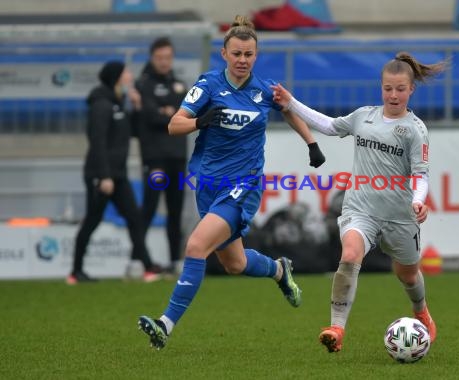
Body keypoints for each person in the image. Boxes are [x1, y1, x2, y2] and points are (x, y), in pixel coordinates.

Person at [137, 15, 326, 349]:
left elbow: (289, 110)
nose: (242, 60)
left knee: (196, 247)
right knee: (235, 264)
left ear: (256, 55)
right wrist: (200, 120)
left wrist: (311, 144)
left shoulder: (265, 90)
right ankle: (279, 270)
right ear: (224, 54)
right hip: (208, 184)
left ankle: (165, 325)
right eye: (236, 53)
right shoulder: (207, 85)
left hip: (244, 185)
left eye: (248, 54)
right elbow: (173, 125)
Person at [271, 51, 447, 352]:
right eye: (388, 88)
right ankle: (336, 328)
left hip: (399, 215)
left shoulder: (415, 131)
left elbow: (421, 174)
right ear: (381, 88)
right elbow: (328, 126)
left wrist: (418, 201)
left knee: (407, 274)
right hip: (360, 208)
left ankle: (422, 312)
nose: (393, 95)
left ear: (411, 89)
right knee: (350, 254)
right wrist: (291, 103)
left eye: (400, 89)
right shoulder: (363, 116)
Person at [67, 60, 162, 285]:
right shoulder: (101, 104)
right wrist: (104, 176)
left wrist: (138, 108)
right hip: (102, 174)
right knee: (92, 220)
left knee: (134, 218)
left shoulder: (119, 103)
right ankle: (75, 272)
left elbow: (134, 132)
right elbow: (97, 141)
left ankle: (147, 266)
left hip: (118, 175)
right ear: (117, 77)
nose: (130, 75)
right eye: (126, 72)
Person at [135, 37, 188, 275]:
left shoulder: (179, 84)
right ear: (152, 58)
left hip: (177, 157)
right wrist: (168, 113)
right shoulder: (143, 84)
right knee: (149, 209)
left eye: (168, 57)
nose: (164, 62)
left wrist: (165, 111)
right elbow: (151, 116)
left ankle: (175, 261)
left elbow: (184, 116)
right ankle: (138, 260)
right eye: (160, 58)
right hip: (155, 158)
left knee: (175, 211)